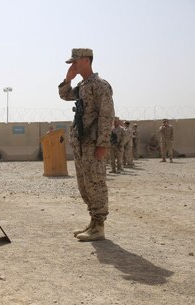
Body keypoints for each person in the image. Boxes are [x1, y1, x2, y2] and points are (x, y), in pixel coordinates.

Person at [58, 48, 115, 241]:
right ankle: (93, 222)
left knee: (96, 183)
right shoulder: (82, 85)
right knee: (84, 184)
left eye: (75, 62)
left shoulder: (100, 85)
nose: (73, 65)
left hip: (93, 143)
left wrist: (103, 143)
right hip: (80, 142)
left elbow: (107, 116)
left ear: (86, 60)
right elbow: (65, 95)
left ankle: (99, 225)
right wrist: (68, 79)